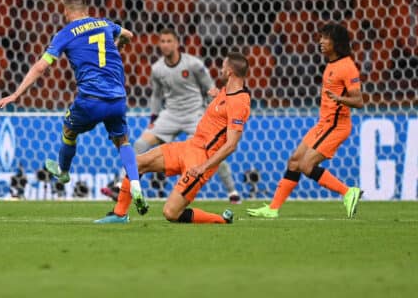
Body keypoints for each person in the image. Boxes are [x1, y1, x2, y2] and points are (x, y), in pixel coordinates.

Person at [0, 0, 148, 214]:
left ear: (66, 11)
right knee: (123, 142)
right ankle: (135, 185)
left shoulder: (64, 34)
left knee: (69, 130)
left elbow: (41, 66)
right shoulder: (104, 23)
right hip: (117, 99)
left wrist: (16, 94)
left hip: (90, 100)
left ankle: (64, 171)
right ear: (87, 9)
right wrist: (118, 44)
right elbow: (129, 34)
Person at [95, 52, 251, 224]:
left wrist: (203, 167)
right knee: (136, 163)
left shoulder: (239, 102)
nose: (220, 69)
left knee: (171, 213)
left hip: (201, 160)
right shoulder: (225, 92)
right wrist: (216, 95)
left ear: (230, 71)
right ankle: (119, 215)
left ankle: (221, 220)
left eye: (223, 66)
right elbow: (221, 107)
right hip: (189, 146)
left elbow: (231, 145)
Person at [247, 23, 364, 219]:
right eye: (321, 37)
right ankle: (273, 209)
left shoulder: (347, 67)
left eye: (326, 38)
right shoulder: (331, 64)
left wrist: (339, 99)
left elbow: (359, 101)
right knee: (294, 161)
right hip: (323, 124)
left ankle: (348, 192)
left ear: (337, 43)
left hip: (336, 126)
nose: (321, 41)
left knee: (306, 165)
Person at [131, 28, 242, 203]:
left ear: (177, 44)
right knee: (140, 144)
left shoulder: (193, 64)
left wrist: (210, 111)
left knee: (209, 150)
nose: (165, 45)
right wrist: (154, 118)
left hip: (194, 114)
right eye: (162, 41)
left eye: (169, 41)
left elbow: (209, 88)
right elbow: (157, 95)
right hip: (170, 114)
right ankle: (122, 184)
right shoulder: (157, 68)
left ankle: (232, 191)